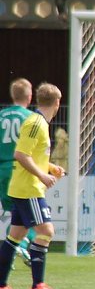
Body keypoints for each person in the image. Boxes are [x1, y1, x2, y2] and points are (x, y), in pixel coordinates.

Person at [0, 82, 64, 289]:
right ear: (57, 103)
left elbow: (32, 155)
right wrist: (42, 176)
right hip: (29, 188)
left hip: (21, 187)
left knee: (15, 236)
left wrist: (50, 167)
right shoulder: (36, 123)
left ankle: (1, 285)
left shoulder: (38, 122)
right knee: (46, 231)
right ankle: (38, 285)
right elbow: (21, 155)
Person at [0, 78, 36, 266]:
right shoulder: (31, 118)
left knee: (13, 212)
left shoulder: (1, 116)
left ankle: (9, 254)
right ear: (30, 97)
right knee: (31, 214)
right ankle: (20, 244)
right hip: (21, 169)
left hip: (3, 169)